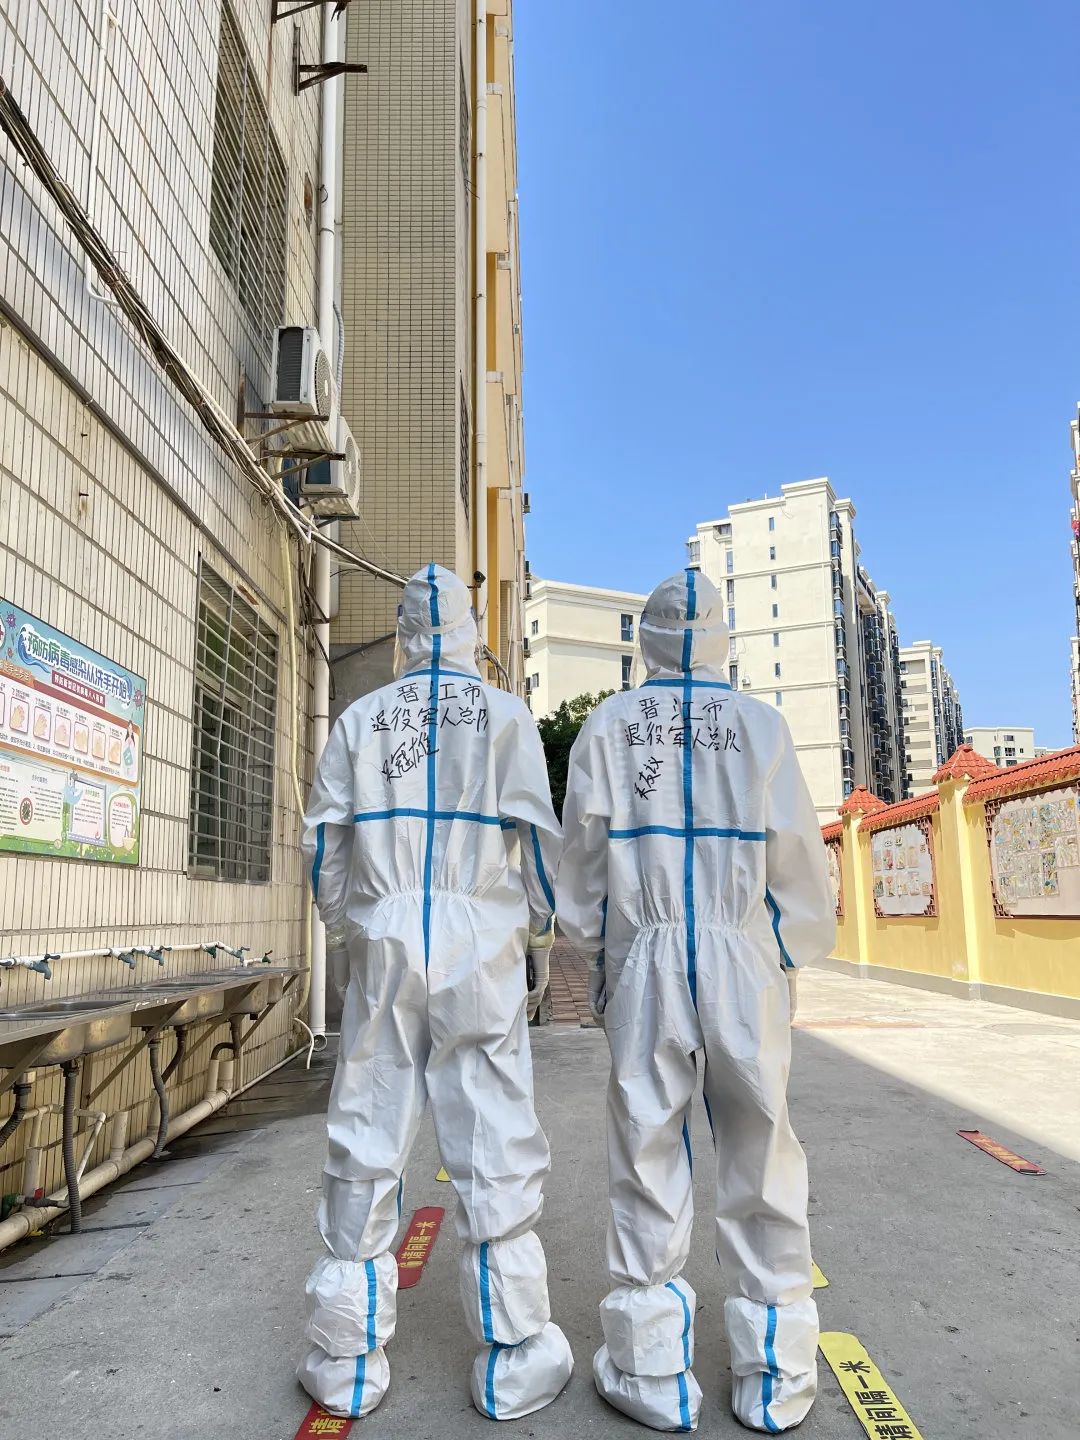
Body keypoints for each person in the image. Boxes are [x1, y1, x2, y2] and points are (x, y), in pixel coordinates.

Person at [556, 570, 835, 1434]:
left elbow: (581, 861)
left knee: (647, 1147)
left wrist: (599, 954)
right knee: (762, 1146)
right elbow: (799, 861)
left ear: (645, 638)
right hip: (741, 955)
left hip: (646, 954)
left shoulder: (609, 725)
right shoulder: (761, 726)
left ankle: (652, 1374)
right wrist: (781, 956)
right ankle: (776, 1375)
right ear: (721, 635)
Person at [298, 564, 572, 1421]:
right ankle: (513, 1355)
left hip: (384, 936)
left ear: (405, 632)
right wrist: (531, 934)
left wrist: (357, 928)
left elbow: (324, 848)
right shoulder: (504, 715)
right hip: (478, 942)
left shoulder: (359, 719)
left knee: (366, 1127)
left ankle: (346, 1362)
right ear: (467, 627)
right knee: (492, 1133)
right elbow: (539, 847)